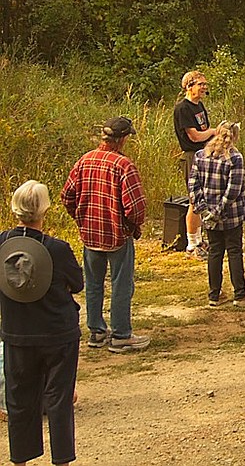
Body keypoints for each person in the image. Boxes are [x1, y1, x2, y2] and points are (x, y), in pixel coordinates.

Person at [0, 181, 83, 466]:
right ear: (44, 210)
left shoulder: (2, 244)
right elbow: (77, 283)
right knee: (59, 399)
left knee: (19, 400)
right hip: (58, 333)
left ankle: (20, 461)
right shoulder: (57, 249)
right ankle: (62, 461)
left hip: (17, 332)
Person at [61, 116, 150, 353]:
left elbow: (67, 196)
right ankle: (121, 334)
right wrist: (133, 227)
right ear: (122, 139)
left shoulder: (84, 160)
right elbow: (135, 207)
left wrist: (80, 218)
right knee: (121, 285)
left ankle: (96, 332)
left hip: (90, 234)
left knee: (93, 284)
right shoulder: (123, 165)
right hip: (117, 234)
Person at [189, 121, 245, 307]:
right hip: (231, 215)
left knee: (215, 252)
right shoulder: (235, 158)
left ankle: (214, 295)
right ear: (235, 136)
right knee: (234, 252)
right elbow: (233, 190)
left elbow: (193, 185)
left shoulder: (200, 155)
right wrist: (218, 211)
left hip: (208, 215)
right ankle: (239, 295)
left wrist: (204, 210)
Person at [174, 70, 214, 259]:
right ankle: (191, 244)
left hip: (204, 154)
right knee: (194, 200)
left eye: (205, 84)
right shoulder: (183, 108)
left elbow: (204, 130)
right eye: (200, 84)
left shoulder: (199, 106)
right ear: (189, 86)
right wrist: (215, 131)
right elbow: (195, 136)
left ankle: (199, 239)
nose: (204, 87)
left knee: (203, 198)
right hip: (192, 155)